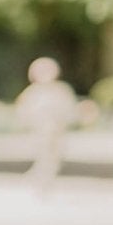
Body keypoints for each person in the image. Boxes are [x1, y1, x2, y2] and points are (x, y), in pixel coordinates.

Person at [14, 54, 78, 191]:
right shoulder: (32, 92)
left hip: (57, 130)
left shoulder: (61, 90)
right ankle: (40, 181)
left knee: (55, 157)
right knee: (43, 155)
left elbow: (69, 110)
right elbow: (23, 111)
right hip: (40, 130)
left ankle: (44, 179)